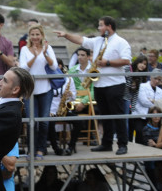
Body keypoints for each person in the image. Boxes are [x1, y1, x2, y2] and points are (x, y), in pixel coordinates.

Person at [54, 16, 132, 155]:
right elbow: (80, 40)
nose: (98, 28)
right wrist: (66, 35)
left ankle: (122, 144)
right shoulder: (98, 41)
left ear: (108, 27)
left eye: (100, 25)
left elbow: (126, 60)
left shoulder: (121, 42)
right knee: (104, 115)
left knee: (118, 115)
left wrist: (107, 63)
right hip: (100, 84)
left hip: (115, 84)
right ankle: (106, 143)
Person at [20, 24, 59, 159]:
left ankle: (41, 150)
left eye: (38, 34)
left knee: (43, 121)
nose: (35, 37)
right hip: (30, 91)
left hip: (45, 89)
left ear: (42, 35)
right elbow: (23, 69)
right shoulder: (24, 49)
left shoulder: (48, 48)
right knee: (32, 122)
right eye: (33, 34)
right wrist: (35, 56)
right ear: (29, 36)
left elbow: (54, 66)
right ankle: (31, 149)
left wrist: (45, 54)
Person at [48, 59, 78, 156]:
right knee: (48, 123)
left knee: (79, 121)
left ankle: (71, 146)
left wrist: (70, 94)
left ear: (60, 66)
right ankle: (56, 148)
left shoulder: (69, 79)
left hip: (64, 109)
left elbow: (74, 97)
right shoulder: (47, 79)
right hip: (51, 110)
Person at [133, 68, 162, 144]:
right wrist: (156, 102)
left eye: (159, 79)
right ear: (151, 77)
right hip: (141, 116)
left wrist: (152, 100)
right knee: (140, 136)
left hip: (153, 118)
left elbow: (161, 104)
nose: (157, 81)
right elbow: (144, 101)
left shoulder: (160, 91)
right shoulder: (142, 86)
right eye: (155, 78)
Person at [128, 55, 149, 137]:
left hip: (138, 105)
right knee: (129, 128)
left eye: (144, 64)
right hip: (129, 102)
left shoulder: (143, 77)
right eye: (141, 63)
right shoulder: (130, 73)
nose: (142, 65)